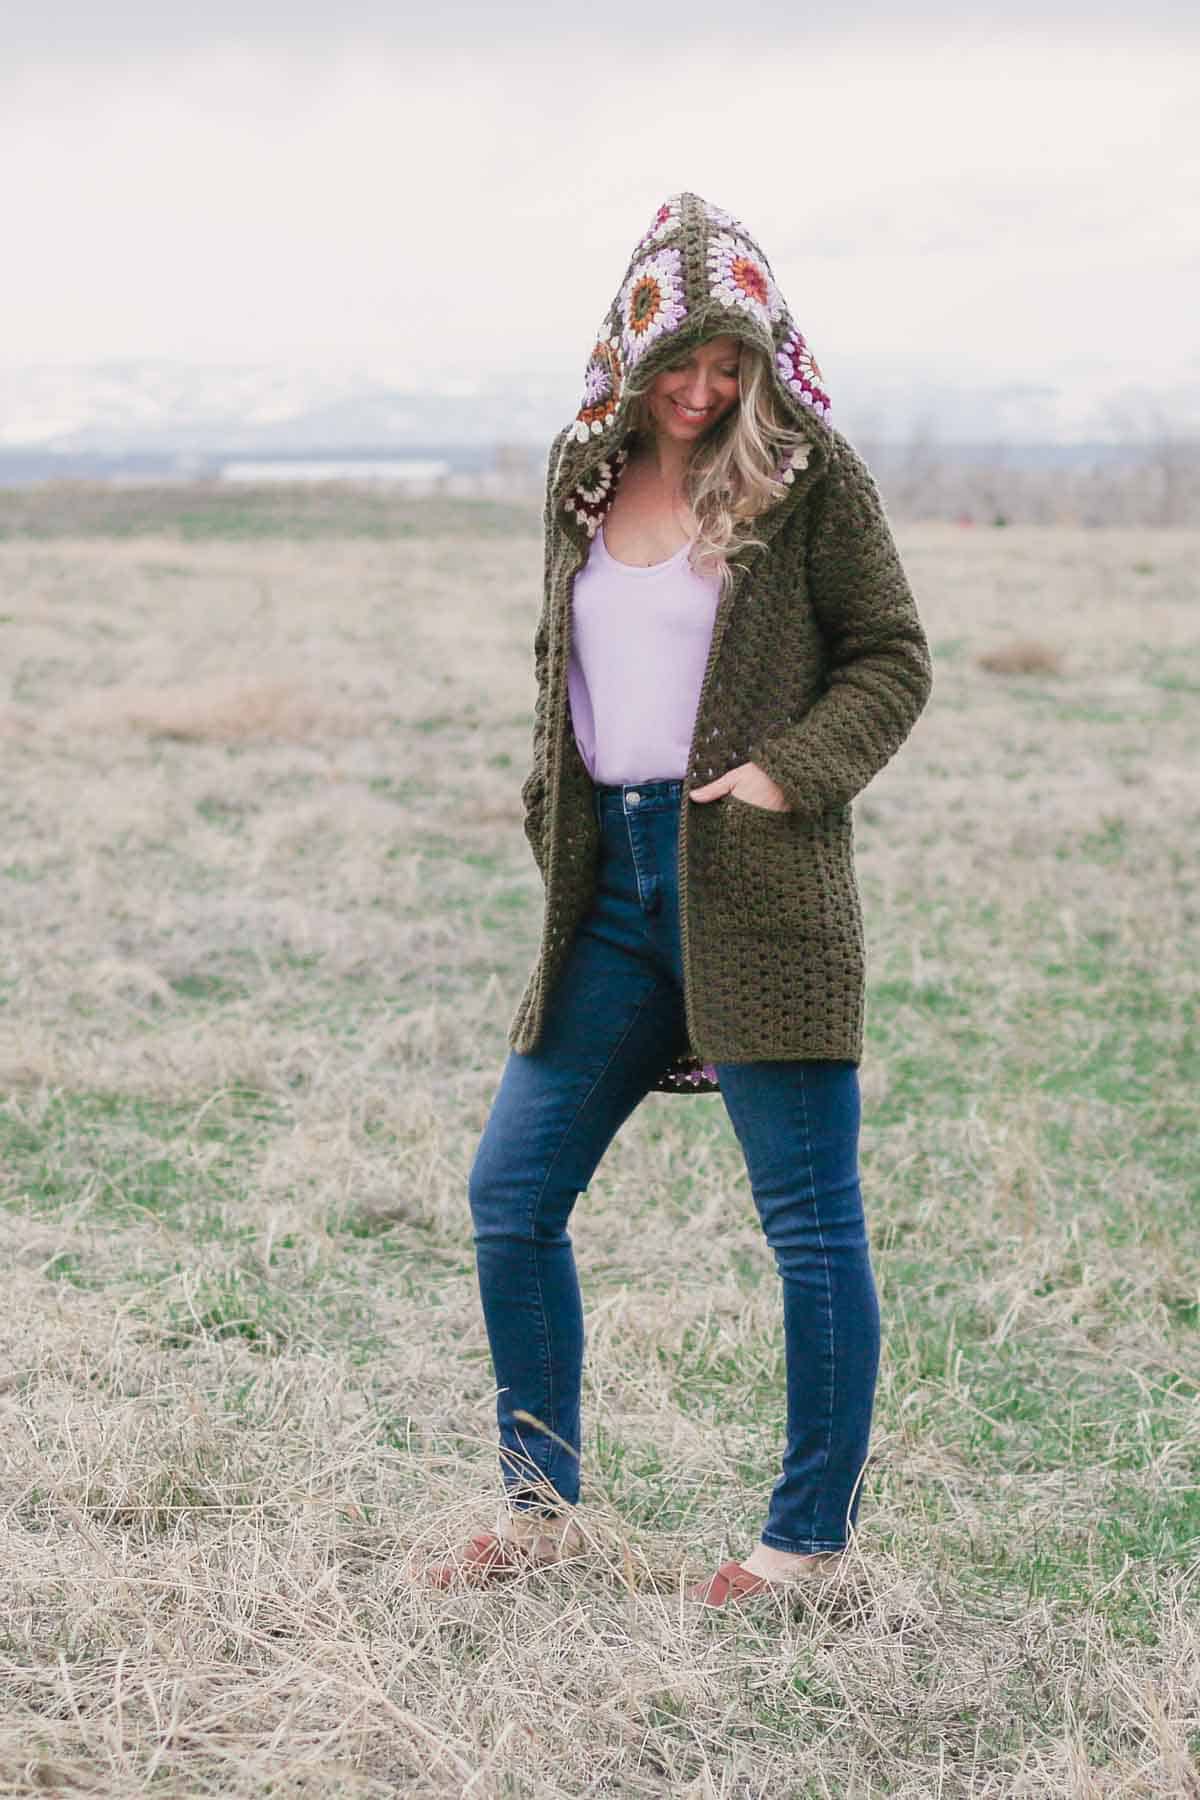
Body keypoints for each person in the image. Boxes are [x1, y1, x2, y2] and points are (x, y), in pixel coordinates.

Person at [428, 191, 933, 1608]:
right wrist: (555, 808)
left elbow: (891, 657)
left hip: (758, 882)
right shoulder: (577, 476)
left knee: (810, 1224)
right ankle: (540, 1515)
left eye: (734, 364)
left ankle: (808, 1545)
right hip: (610, 895)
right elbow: (560, 659)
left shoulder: (806, 475)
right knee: (510, 1194)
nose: (708, 391)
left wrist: (787, 776)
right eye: (684, 364)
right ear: (631, 355)